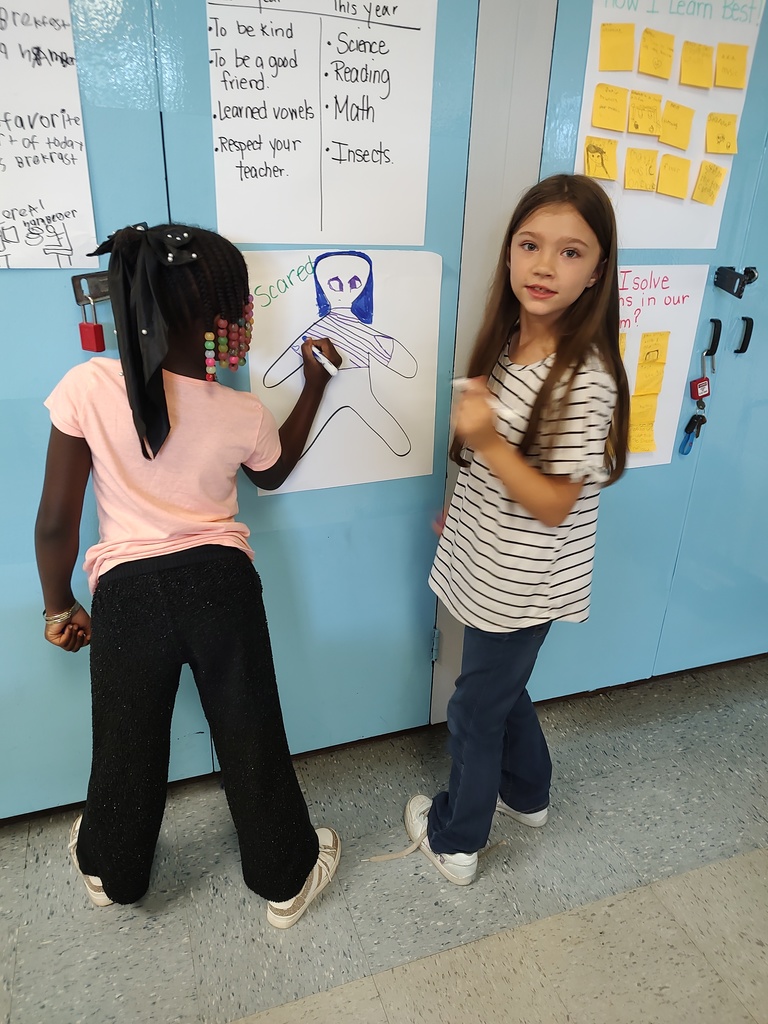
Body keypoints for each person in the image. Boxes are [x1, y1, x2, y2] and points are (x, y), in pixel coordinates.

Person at [34, 222, 342, 927]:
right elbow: (278, 470)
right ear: (222, 322)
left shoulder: (87, 386)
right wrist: (316, 382)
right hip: (223, 585)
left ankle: (113, 872)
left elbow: (55, 522)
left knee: (125, 739)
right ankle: (285, 876)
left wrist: (60, 609)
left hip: (128, 593)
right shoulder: (239, 411)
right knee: (250, 729)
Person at [405, 174, 630, 884]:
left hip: (523, 578)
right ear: (508, 254)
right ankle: (528, 793)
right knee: (501, 688)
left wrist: (489, 442)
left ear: (598, 271)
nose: (542, 265)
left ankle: (457, 838)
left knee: (475, 707)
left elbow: (554, 503)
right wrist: (469, 499)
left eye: (570, 253)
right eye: (530, 245)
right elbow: (503, 470)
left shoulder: (582, 377)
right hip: (489, 559)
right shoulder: (510, 342)